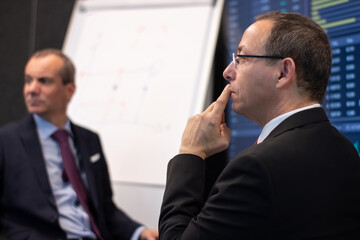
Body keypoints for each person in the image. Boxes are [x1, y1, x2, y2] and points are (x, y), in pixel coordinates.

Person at [159, 11, 360, 239]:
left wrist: (190, 153)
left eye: (242, 59)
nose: (227, 72)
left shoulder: (256, 167)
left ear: (283, 72)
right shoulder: (346, 150)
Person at [0, 48, 158, 240]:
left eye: (43, 81)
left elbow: (105, 209)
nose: (32, 89)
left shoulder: (89, 140)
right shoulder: (7, 142)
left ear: (69, 90)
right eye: (28, 80)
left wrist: (139, 232)